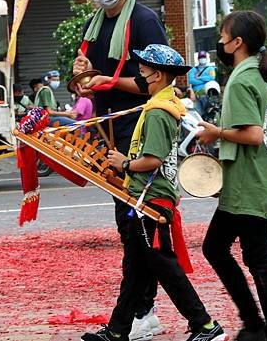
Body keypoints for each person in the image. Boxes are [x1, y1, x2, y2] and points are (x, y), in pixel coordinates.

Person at [82, 44, 228, 341]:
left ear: (158, 75)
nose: (140, 75)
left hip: (150, 200)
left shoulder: (159, 112)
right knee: (135, 271)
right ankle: (117, 331)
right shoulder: (161, 105)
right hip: (145, 197)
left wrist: (124, 164)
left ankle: (205, 326)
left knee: (165, 269)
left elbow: (153, 159)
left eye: (144, 70)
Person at [73, 0, 169, 339]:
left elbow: (159, 82)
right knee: (128, 225)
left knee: (141, 225)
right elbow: (85, 79)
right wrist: (80, 78)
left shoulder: (144, 21)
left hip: (142, 131)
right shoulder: (94, 25)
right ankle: (139, 311)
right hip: (109, 132)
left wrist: (108, 83)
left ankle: (143, 312)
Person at [197, 11, 267, 341]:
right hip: (247, 181)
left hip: (248, 185)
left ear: (237, 42)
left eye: (223, 37)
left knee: (256, 259)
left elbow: (251, 135)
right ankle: (255, 324)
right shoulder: (250, 75)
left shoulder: (241, 81)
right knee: (221, 249)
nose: (219, 43)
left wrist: (215, 133)